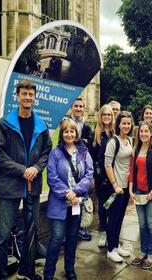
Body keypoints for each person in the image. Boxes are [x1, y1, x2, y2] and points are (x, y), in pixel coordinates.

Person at [0, 79, 52, 280]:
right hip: (10, 187)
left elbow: (46, 151)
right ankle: (1, 275)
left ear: (35, 98)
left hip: (32, 187)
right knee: (3, 235)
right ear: (17, 96)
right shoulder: (5, 124)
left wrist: (36, 168)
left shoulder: (41, 126)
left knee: (32, 233)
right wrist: (22, 170)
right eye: (24, 94)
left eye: (31, 94)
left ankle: (28, 272)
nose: (27, 97)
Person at [44, 118, 93, 280]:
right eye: (66, 131)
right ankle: (48, 273)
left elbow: (89, 174)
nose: (69, 134)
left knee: (72, 238)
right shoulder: (55, 153)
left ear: (76, 133)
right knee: (57, 239)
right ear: (62, 134)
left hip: (76, 204)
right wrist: (67, 193)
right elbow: (52, 178)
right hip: (59, 204)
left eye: (72, 131)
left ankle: (69, 269)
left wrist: (76, 191)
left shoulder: (83, 151)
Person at [129, 121, 152, 270]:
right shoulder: (135, 150)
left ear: (151, 133)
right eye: (141, 131)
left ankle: (151, 254)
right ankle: (143, 252)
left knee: (151, 224)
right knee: (142, 224)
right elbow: (132, 171)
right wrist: (131, 190)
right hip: (139, 192)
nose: (143, 134)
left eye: (146, 131)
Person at [104, 111, 134, 262]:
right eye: (124, 123)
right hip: (116, 188)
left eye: (129, 123)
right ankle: (110, 250)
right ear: (118, 124)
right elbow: (107, 165)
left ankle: (115, 245)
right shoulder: (113, 142)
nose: (126, 126)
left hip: (125, 187)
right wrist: (115, 185)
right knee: (113, 218)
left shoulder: (129, 140)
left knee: (120, 218)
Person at [88, 105, 115, 247]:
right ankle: (103, 230)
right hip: (100, 176)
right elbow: (91, 157)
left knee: (112, 205)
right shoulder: (95, 134)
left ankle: (111, 232)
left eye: (109, 115)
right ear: (100, 116)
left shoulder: (114, 133)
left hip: (113, 175)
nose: (106, 117)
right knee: (103, 206)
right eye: (104, 114)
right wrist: (92, 176)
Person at [69, 97, 92, 241]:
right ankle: (71, 231)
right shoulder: (66, 123)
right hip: (70, 168)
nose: (78, 108)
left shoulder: (87, 126)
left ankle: (79, 229)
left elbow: (89, 149)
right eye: (76, 106)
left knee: (81, 200)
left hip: (82, 168)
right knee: (71, 200)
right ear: (72, 108)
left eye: (80, 106)